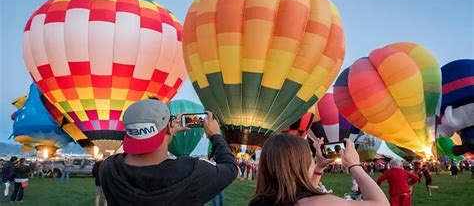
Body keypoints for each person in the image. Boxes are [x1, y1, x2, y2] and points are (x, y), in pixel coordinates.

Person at [100, 99, 238, 206]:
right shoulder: (191, 173)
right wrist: (215, 135)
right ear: (167, 128)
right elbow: (231, 168)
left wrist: (166, 129)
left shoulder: (108, 169)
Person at [249, 135, 389, 206]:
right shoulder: (319, 202)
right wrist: (355, 165)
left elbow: (300, 191)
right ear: (301, 164)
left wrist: (319, 168)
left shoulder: (258, 202)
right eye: (311, 158)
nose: (313, 161)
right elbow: (381, 204)